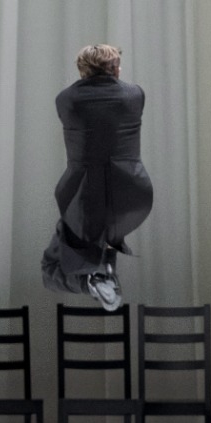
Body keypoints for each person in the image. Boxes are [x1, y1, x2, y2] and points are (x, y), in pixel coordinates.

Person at [41, 45, 153, 312]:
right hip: (131, 194)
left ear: (82, 71)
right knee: (101, 235)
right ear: (114, 69)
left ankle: (94, 280)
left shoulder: (66, 100)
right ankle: (102, 273)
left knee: (50, 269)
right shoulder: (134, 95)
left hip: (84, 196)